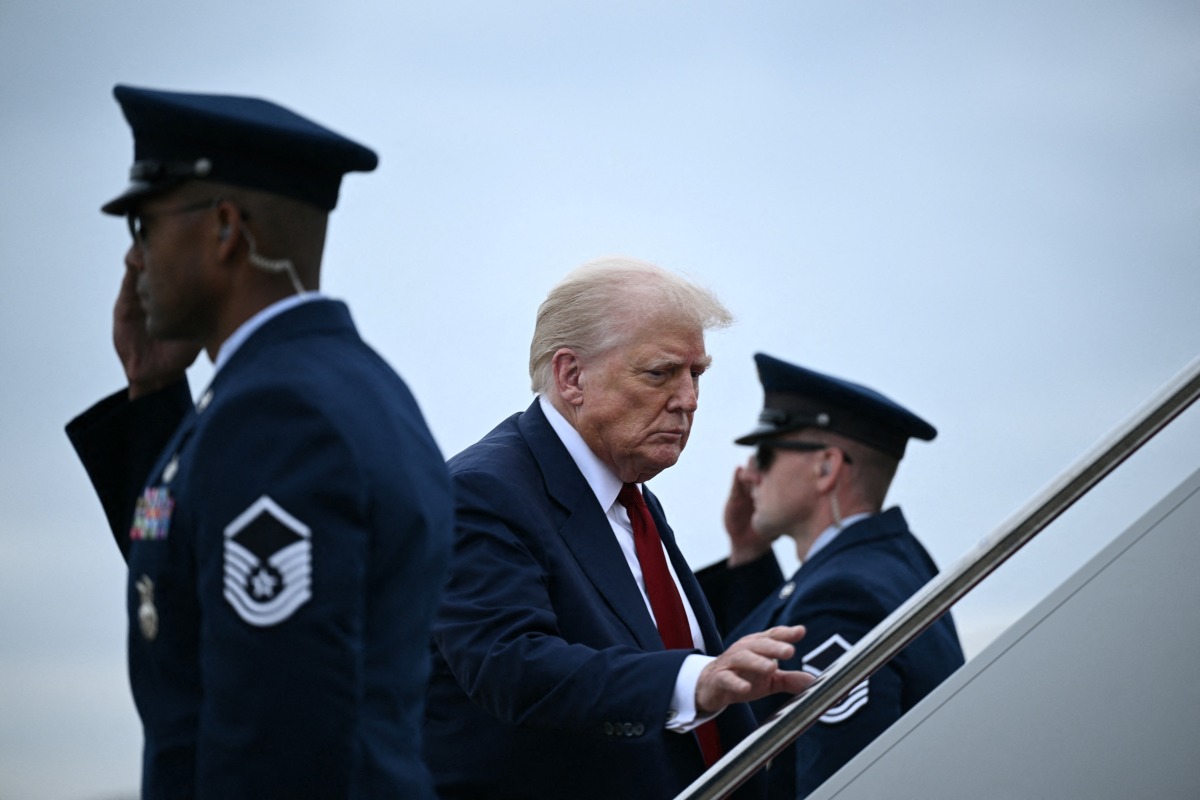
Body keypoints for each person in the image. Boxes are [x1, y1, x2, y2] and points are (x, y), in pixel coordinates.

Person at [64, 85, 454, 799]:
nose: (133, 262)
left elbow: (280, 737)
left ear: (224, 229)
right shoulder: (343, 386)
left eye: (144, 227)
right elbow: (193, 590)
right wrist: (155, 399)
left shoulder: (279, 415)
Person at [423, 258, 815, 800]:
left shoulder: (629, 495)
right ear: (571, 376)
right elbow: (510, 665)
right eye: (660, 373)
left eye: (696, 374)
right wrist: (693, 681)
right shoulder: (479, 492)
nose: (688, 400)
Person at [698, 353, 966, 799]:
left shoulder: (844, 595)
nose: (749, 472)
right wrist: (749, 555)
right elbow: (771, 668)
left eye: (764, 453)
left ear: (825, 467)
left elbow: (837, 781)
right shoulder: (892, 560)